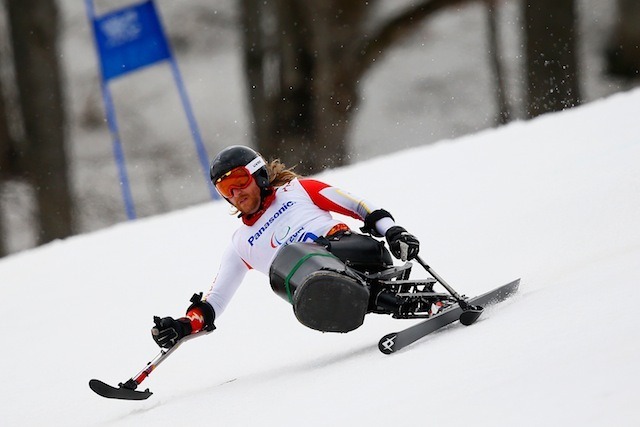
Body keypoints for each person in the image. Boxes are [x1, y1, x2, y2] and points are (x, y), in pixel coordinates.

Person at [151, 145, 420, 348]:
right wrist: (184, 325)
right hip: (320, 290)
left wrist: (394, 231)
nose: (236, 194)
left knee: (291, 253)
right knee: (283, 270)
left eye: (239, 182)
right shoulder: (241, 244)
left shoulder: (297, 191)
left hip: (356, 253)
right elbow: (215, 301)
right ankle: (398, 301)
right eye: (225, 190)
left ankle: (379, 293)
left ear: (258, 175)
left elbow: (357, 206)